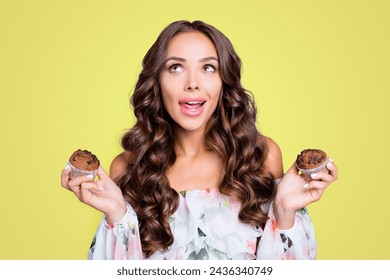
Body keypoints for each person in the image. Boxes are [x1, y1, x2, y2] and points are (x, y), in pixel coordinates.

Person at [61, 20, 338, 260]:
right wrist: (117, 215)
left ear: (224, 81)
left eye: (208, 68)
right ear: (156, 81)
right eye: (175, 68)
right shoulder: (129, 166)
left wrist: (285, 212)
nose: (193, 83)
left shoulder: (260, 156)